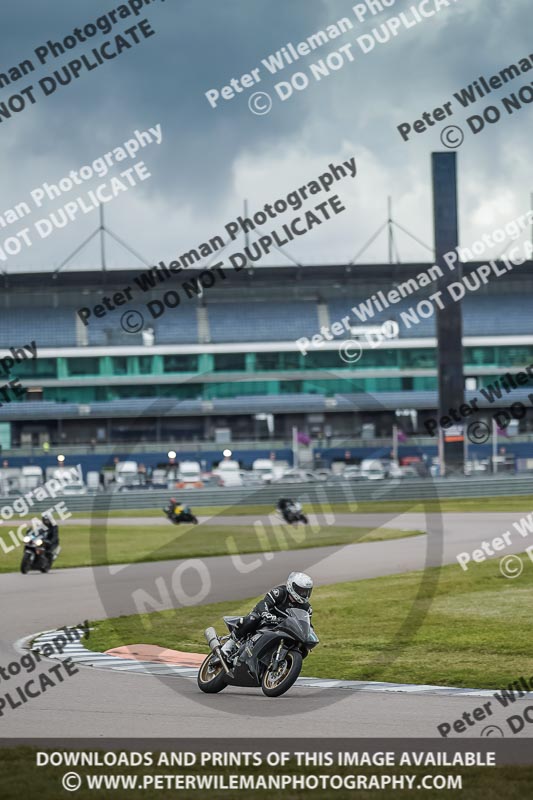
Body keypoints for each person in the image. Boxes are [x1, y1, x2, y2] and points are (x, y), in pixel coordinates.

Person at [220, 572, 313, 657]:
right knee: (252, 619)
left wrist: (309, 634)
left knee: (302, 647)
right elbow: (264, 603)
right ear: (292, 586)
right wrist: (266, 614)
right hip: (265, 619)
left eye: (307, 591)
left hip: (283, 627)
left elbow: (307, 624)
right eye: (302, 591)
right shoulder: (280, 592)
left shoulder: (307, 608)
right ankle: (229, 644)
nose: (305, 594)